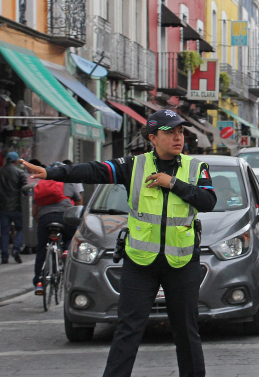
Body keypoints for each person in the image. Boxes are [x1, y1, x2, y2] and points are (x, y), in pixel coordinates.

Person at [21, 109, 217, 377]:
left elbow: (208, 202)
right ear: (153, 138)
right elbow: (94, 170)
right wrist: (51, 172)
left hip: (181, 263)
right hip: (140, 263)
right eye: (170, 132)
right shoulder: (133, 165)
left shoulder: (195, 168)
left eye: (180, 131)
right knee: (128, 330)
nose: (178, 137)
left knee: (186, 330)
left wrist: (172, 183)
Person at [31, 161, 82, 292]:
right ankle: (66, 250)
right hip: (65, 217)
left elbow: (34, 211)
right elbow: (78, 204)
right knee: (70, 237)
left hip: (45, 218)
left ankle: (39, 283)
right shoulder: (68, 182)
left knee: (42, 249)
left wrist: (39, 221)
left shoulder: (40, 183)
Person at [0, 151, 25, 264]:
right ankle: (16, 249)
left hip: (3, 207)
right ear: (16, 161)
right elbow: (25, 190)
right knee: (21, 229)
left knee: (4, 231)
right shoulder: (20, 172)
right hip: (17, 207)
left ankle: (4, 255)